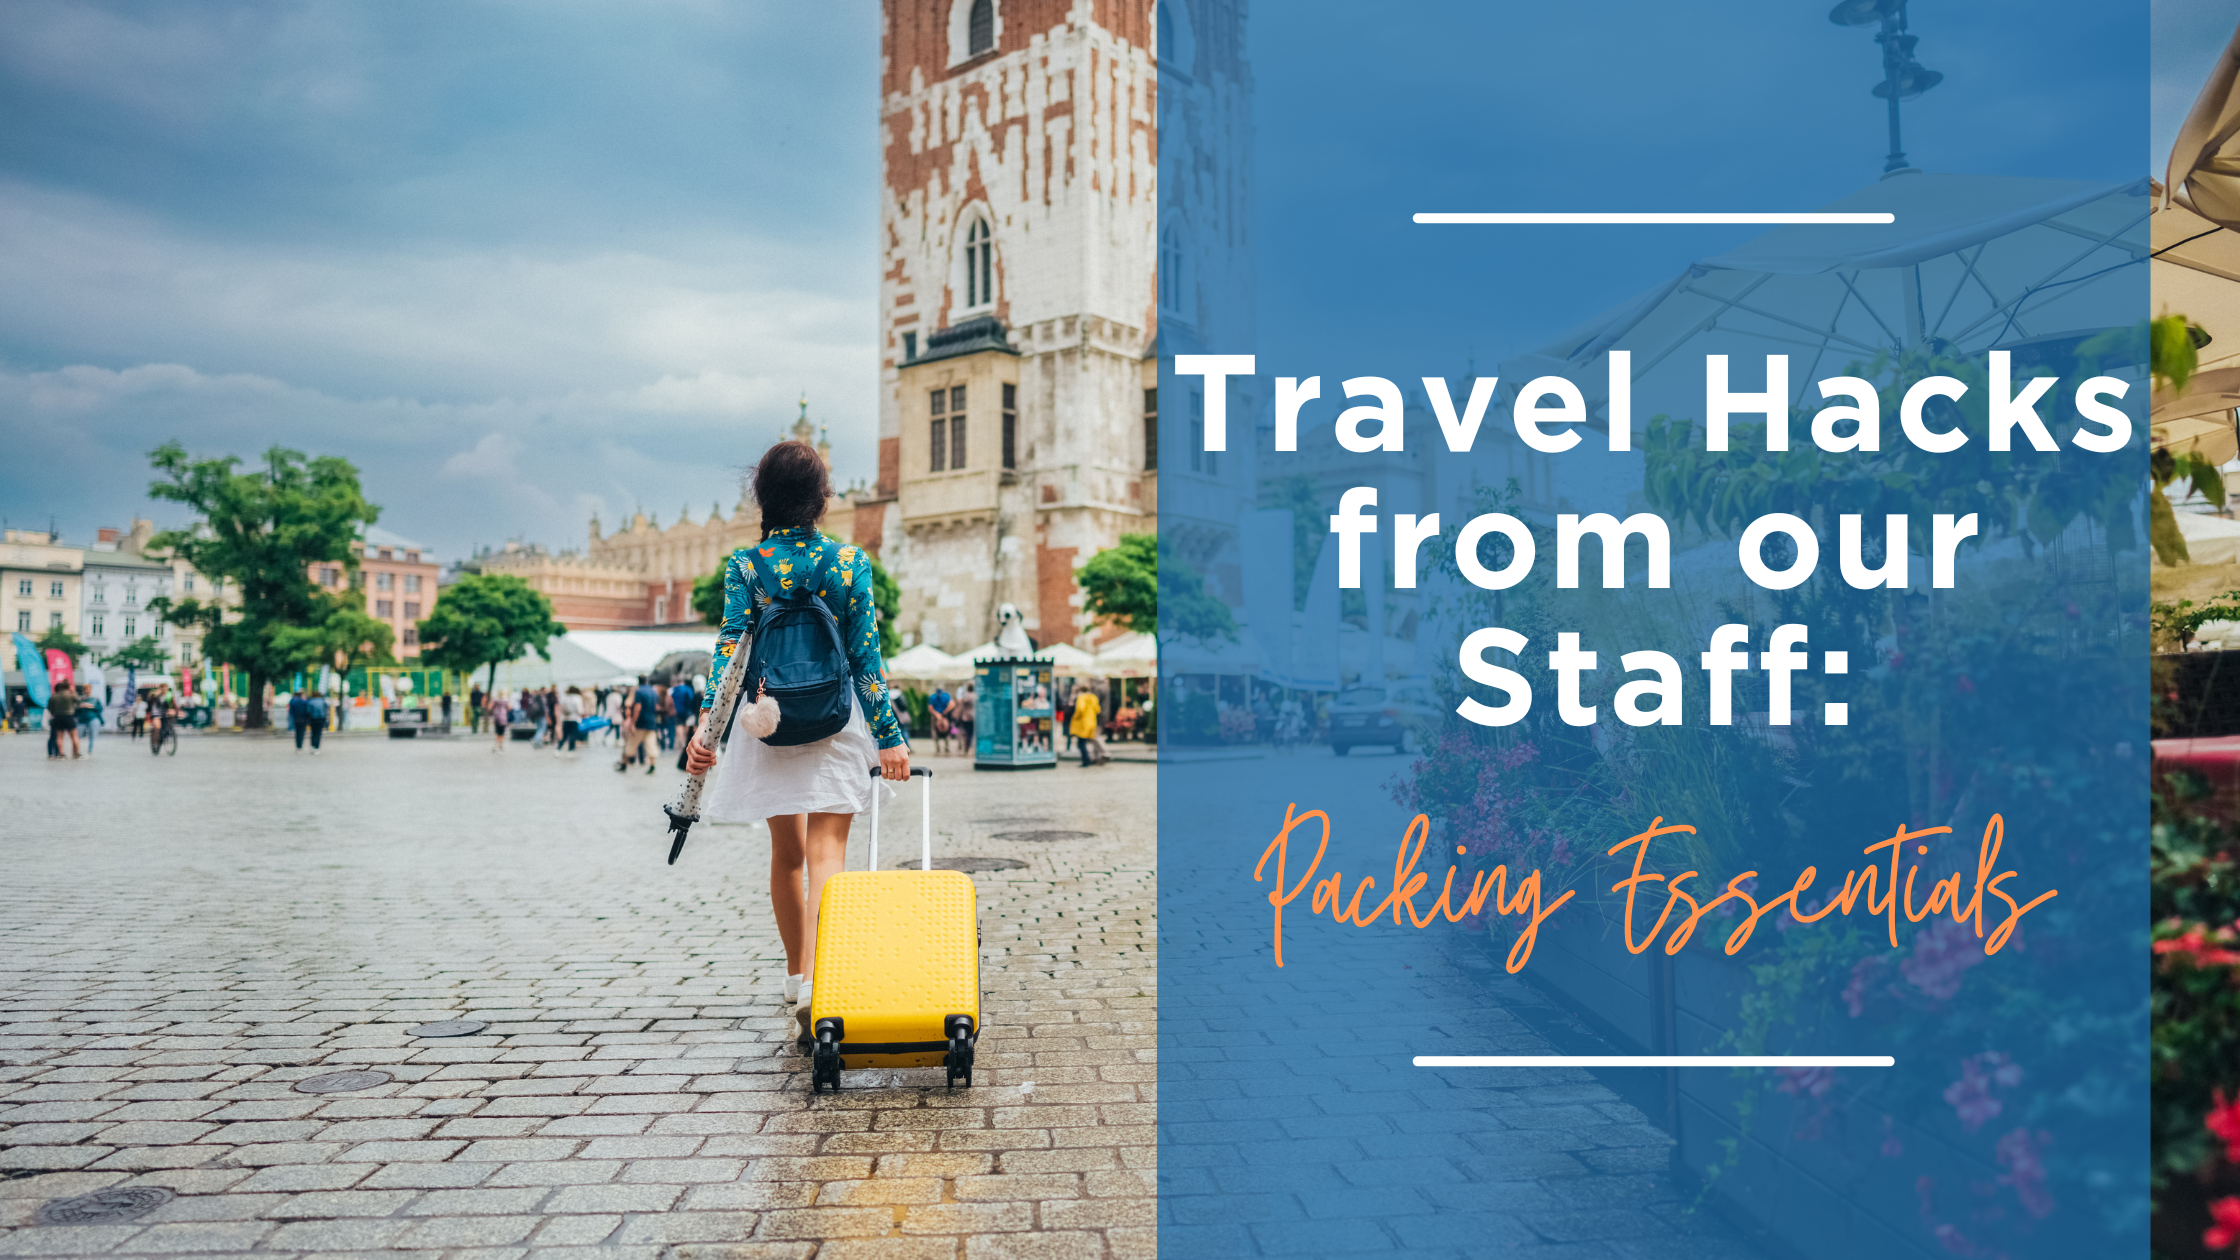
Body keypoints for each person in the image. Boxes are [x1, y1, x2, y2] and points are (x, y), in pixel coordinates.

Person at [685, 439, 910, 1036]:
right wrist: (890, 738)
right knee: (826, 852)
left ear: (764, 496)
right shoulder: (847, 562)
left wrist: (706, 732)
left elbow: (730, 653)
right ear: (821, 498)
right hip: (835, 720)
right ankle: (825, 983)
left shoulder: (746, 565)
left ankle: (796, 976)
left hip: (768, 722)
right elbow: (866, 658)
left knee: (785, 855)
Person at [670, 675, 701, 771]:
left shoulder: (676, 690)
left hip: (679, 713)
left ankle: (681, 742)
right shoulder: (689, 691)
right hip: (689, 715)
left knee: (682, 732)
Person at [1070, 684, 1103, 767]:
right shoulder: (1094, 697)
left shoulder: (1081, 698)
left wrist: (1075, 717)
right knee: (1091, 742)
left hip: (1083, 724)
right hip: (1092, 722)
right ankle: (1094, 758)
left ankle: (1085, 761)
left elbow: (1080, 709)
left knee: (1081, 743)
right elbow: (1098, 710)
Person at [558, 685, 584, 755]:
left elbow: (561, 708)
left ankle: (558, 748)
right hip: (574, 719)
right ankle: (570, 750)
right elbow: (580, 710)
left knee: (565, 735)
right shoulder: (578, 698)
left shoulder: (564, 698)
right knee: (573, 735)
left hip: (565, 719)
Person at [928, 682, 952, 757]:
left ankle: (943, 747)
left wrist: (942, 712)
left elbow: (930, 708)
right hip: (940, 716)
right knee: (941, 731)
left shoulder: (934, 696)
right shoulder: (943, 696)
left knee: (942, 731)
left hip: (940, 716)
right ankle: (942, 747)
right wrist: (942, 712)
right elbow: (952, 704)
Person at [77, 684, 101, 754]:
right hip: (82, 719)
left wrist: (92, 706)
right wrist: (80, 706)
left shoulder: (95, 699)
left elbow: (100, 709)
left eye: (88, 689)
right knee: (79, 735)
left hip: (92, 718)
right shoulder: (80, 699)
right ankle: (78, 751)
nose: (86, 691)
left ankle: (89, 750)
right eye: (85, 689)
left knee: (92, 735)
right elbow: (75, 710)